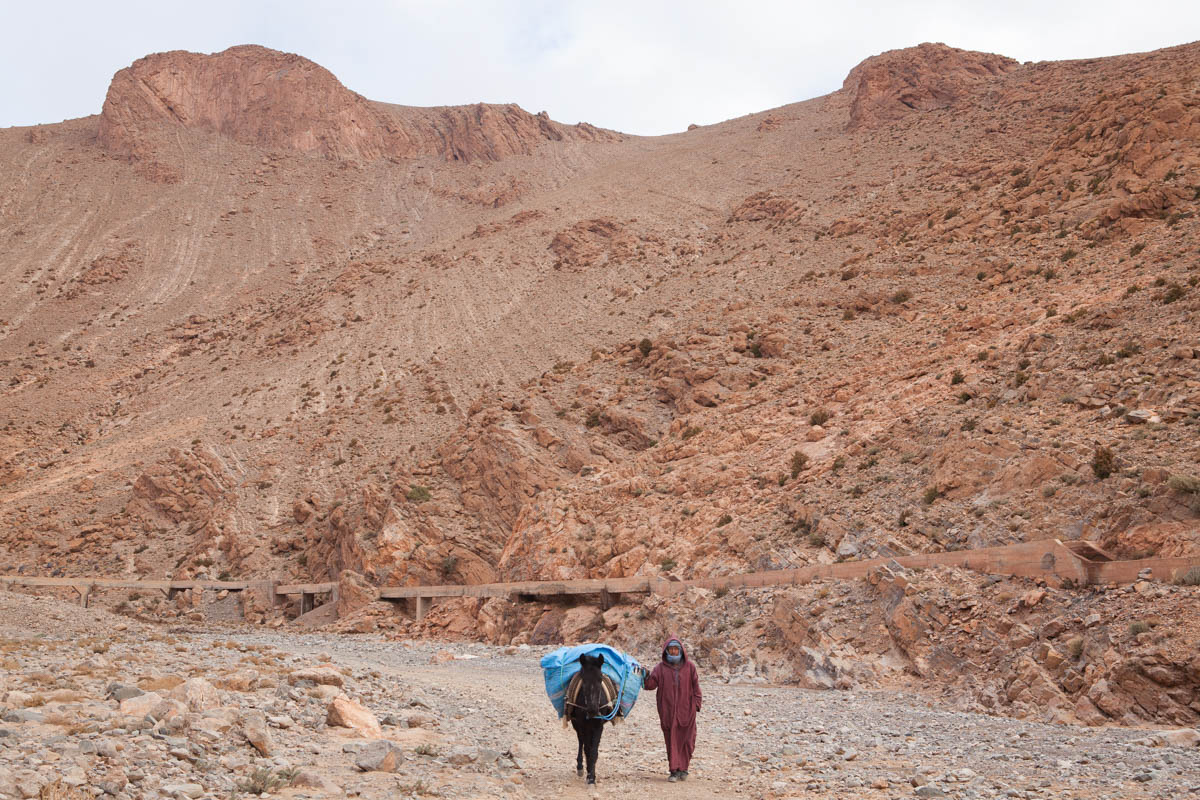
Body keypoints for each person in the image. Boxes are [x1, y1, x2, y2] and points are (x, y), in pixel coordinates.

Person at [642, 636, 701, 782]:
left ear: (681, 650)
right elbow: (650, 685)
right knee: (671, 740)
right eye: (671, 649)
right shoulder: (660, 668)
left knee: (688, 740)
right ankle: (674, 771)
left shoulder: (690, 667)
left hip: (687, 711)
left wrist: (696, 704)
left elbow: (696, 687)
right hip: (667, 711)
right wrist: (645, 676)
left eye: (676, 649)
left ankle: (684, 769)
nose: (674, 652)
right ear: (666, 651)